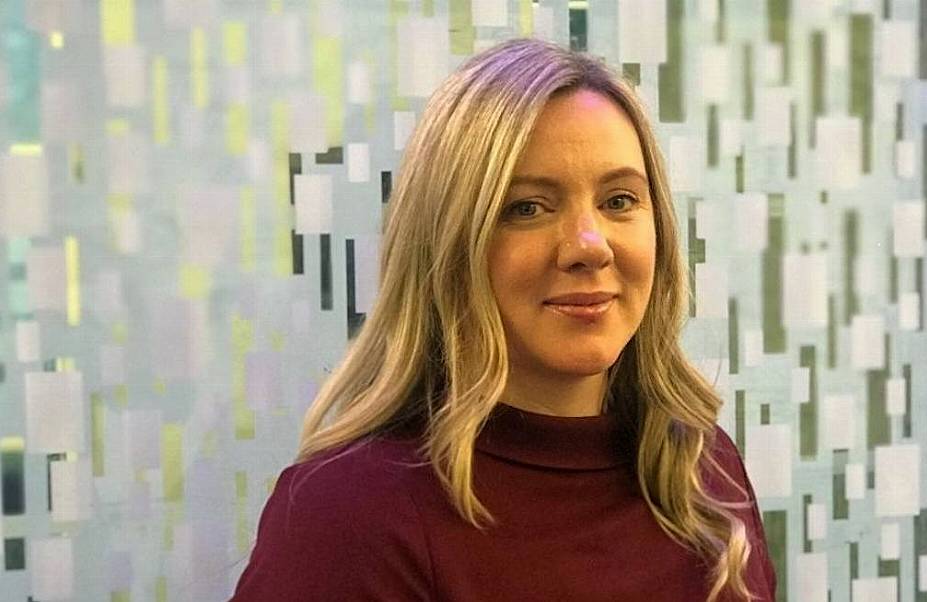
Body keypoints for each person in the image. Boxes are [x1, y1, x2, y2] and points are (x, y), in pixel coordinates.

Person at [231, 38, 776, 602]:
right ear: (447, 245)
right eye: (526, 208)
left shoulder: (703, 470)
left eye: (618, 201)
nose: (588, 246)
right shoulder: (348, 516)